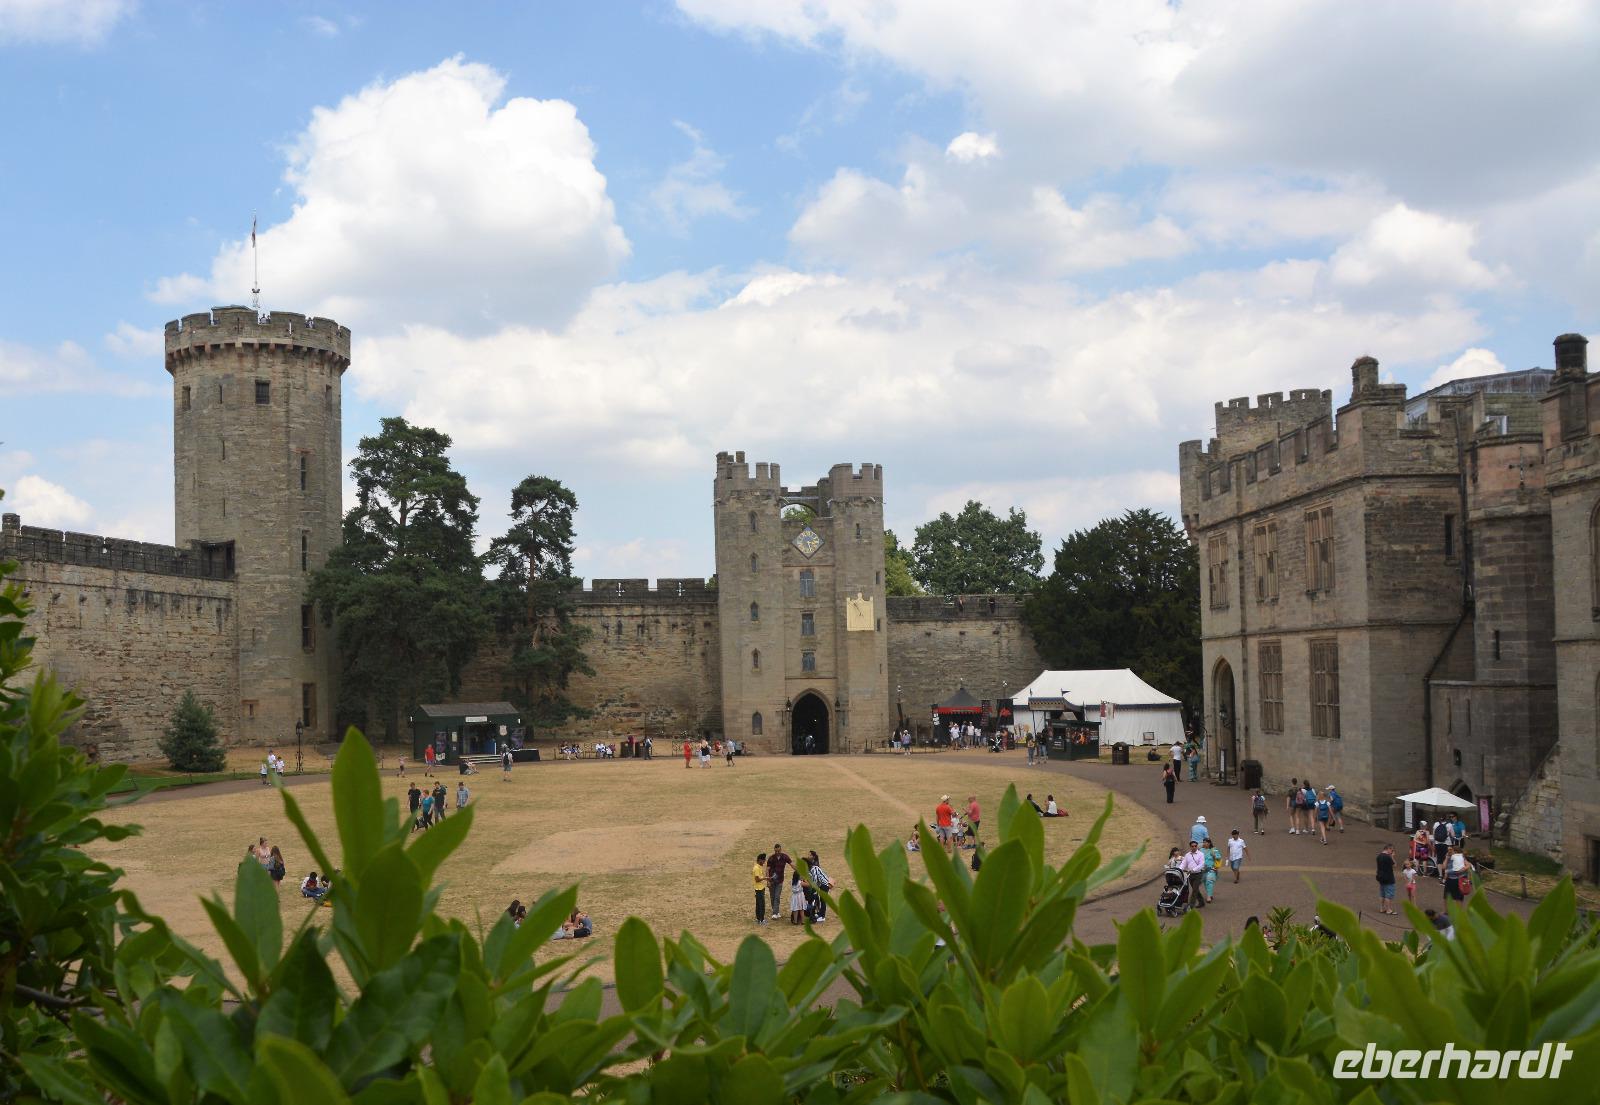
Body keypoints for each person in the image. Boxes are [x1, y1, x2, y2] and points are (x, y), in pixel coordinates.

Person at [1178, 840, 1207, 909]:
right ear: (1190, 847)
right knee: (1195, 889)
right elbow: (1183, 864)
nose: (1194, 847)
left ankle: (1191, 905)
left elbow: (1201, 864)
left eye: (1195, 846)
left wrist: (1193, 870)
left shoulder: (1201, 854)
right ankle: (1201, 902)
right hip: (1190, 875)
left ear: (1197, 846)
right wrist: (1179, 869)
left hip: (1198, 874)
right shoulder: (1187, 855)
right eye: (1192, 846)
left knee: (1194, 890)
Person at [766, 844, 792, 919]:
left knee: (777, 896)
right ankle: (776, 911)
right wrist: (768, 880)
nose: (777, 852)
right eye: (776, 851)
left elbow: (791, 864)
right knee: (772, 897)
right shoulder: (771, 858)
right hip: (772, 880)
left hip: (780, 880)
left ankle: (774, 913)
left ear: (781, 850)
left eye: (778, 851)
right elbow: (767, 869)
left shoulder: (784, 857)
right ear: (774, 850)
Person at [804, 850, 831, 922]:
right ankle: (820, 913)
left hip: (824, 884)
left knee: (823, 900)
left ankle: (822, 916)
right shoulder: (812, 869)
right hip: (822, 884)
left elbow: (815, 880)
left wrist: (813, 890)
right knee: (821, 899)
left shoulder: (814, 868)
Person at [1375, 844, 1398, 914]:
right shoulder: (1388, 857)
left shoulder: (1379, 856)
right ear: (1388, 849)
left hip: (1381, 877)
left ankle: (1382, 908)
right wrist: (1392, 857)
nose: (1392, 851)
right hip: (1389, 877)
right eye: (1392, 850)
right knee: (1389, 895)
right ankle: (1388, 910)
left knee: (1382, 894)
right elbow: (1395, 865)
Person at [1201, 837, 1222, 902]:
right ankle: (1210, 894)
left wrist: (1214, 856)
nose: (1205, 843)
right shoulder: (1201, 850)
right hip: (1203, 869)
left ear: (1209, 843)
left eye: (1206, 842)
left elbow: (1219, 858)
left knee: (1209, 881)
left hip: (1211, 869)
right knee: (1205, 882)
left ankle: (1208, 897)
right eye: (1204, 842)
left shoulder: (1214, 849)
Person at [753, 853, 769, 925]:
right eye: (763, 860)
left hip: (761, 888)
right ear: (760, 860)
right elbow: (757, 879)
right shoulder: (756, 868)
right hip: (759, 889)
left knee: (759, 904)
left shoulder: (759, 867)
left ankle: (758, 919)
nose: (764, 862)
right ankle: (761, 920)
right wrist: (765, 878)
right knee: (761, 905)